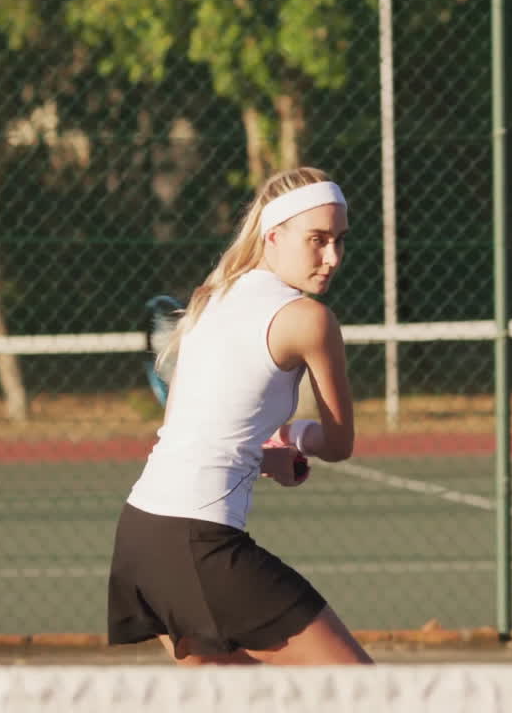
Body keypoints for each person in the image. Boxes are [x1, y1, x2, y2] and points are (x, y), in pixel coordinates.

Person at [107, 167, 373, 665]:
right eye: (316, 240)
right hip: (199, 543)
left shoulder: (212, 297)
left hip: (141, 535)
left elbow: (211, 428)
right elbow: (338, 443)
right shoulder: (310, 320)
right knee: (364, 692)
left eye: (339, 240)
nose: (332, 257)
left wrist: (267, 457)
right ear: (274, 236)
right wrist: (293, 436)